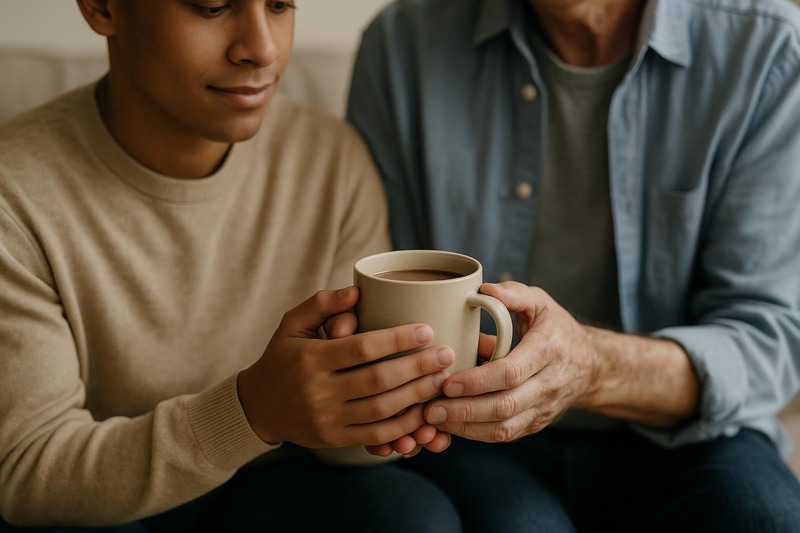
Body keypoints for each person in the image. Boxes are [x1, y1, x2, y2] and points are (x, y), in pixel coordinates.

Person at [0, 0, 462, 530]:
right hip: (98, 499)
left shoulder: (330, 161)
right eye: (212, 6)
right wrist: (250, 412)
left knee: (414, 514)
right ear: (104, 8)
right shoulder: (14, 194)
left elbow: (348, 453)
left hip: (273, 481)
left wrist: (378, 408)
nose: (262, 48)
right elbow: (26, 471)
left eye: (280, 5)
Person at [347, 0, 800, 530]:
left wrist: (589, 365)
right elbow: (374, 288)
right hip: (473, 433)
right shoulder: (401, 46)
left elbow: (768, 338)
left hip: (690, 434)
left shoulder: (767, 50)